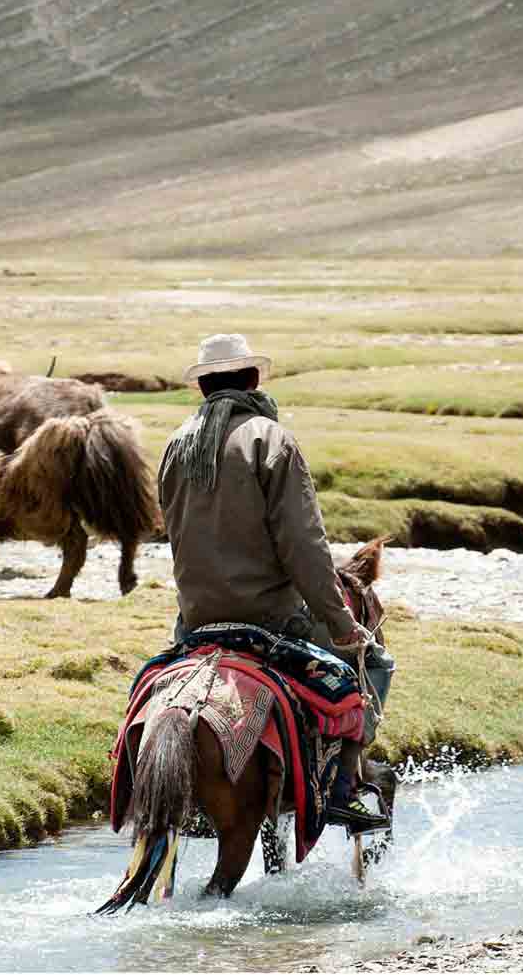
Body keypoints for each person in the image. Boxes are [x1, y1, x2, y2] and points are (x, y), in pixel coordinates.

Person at [158, 333, 393, 831]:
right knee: (367, 670)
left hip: (196, 620)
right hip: (270, 619)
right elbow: (303, 545)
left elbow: (177, 538)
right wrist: (342, 621)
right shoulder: (271, 439)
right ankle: (344, 789)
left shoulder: (176, 444)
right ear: (253, 379)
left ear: (203, 387)